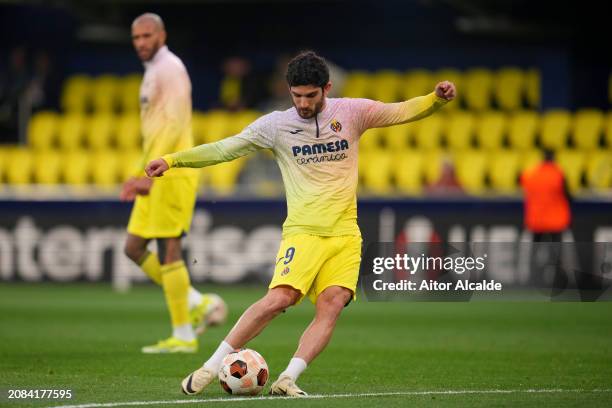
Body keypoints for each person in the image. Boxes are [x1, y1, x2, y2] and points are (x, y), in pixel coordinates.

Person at [146, 51, 455, 395]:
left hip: (346, 234)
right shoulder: (276, 125)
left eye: (310, 95)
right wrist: (173, 160)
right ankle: (209, 367)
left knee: (332, 304)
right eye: (297, 96)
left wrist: (435, 100)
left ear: (327, 88)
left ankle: (288, 378)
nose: (304, 103)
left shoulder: (351, 113)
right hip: (304, 232)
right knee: (280, 299)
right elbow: (224, 149)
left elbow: (400, 111)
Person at [121, 13, 224, 354]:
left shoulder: (170, 68)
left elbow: (175, 122)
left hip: (173, 170)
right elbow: (153, 128)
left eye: (147, 36)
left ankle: (183, 335)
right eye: (136, 38)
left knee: (169, 250)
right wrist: (139, 174)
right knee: (133, 247)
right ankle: (199, 303)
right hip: (154, 169)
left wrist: (153, 172)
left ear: (162, 35)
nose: (141, 43)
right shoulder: (153, 71)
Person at [520, 149, 572, 242]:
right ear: (553, 158)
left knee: (535, 246)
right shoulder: (558, 174)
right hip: (556, 219)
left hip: (536, 219)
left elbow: (525, 190)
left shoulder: (530, 174)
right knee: (557, 247)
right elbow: (567, 195)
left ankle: (535, 257)